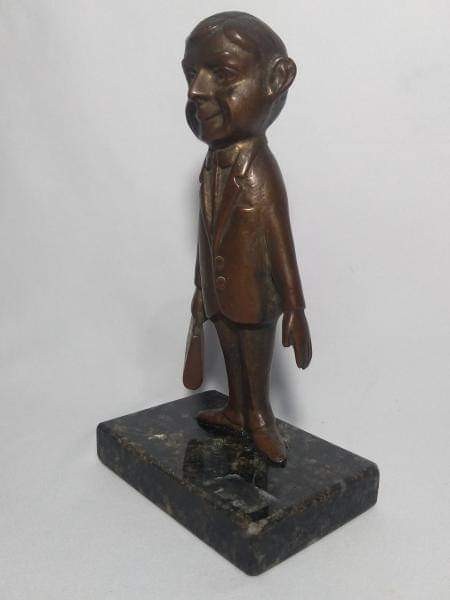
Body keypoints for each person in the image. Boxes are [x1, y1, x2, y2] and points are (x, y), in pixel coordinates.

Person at [182, 11, 312, 465]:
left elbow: (280, 242)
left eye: (221, 74)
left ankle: (259, 416)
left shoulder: (260, 171)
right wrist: (200, 288)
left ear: (276, 80)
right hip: (219, 292)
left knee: (253, 359)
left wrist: (295, 308)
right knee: (230, 352)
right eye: (191, 74)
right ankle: (237, 410)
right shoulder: (211, 164)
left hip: (255, 295)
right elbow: (206, 232)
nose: (196, 91)